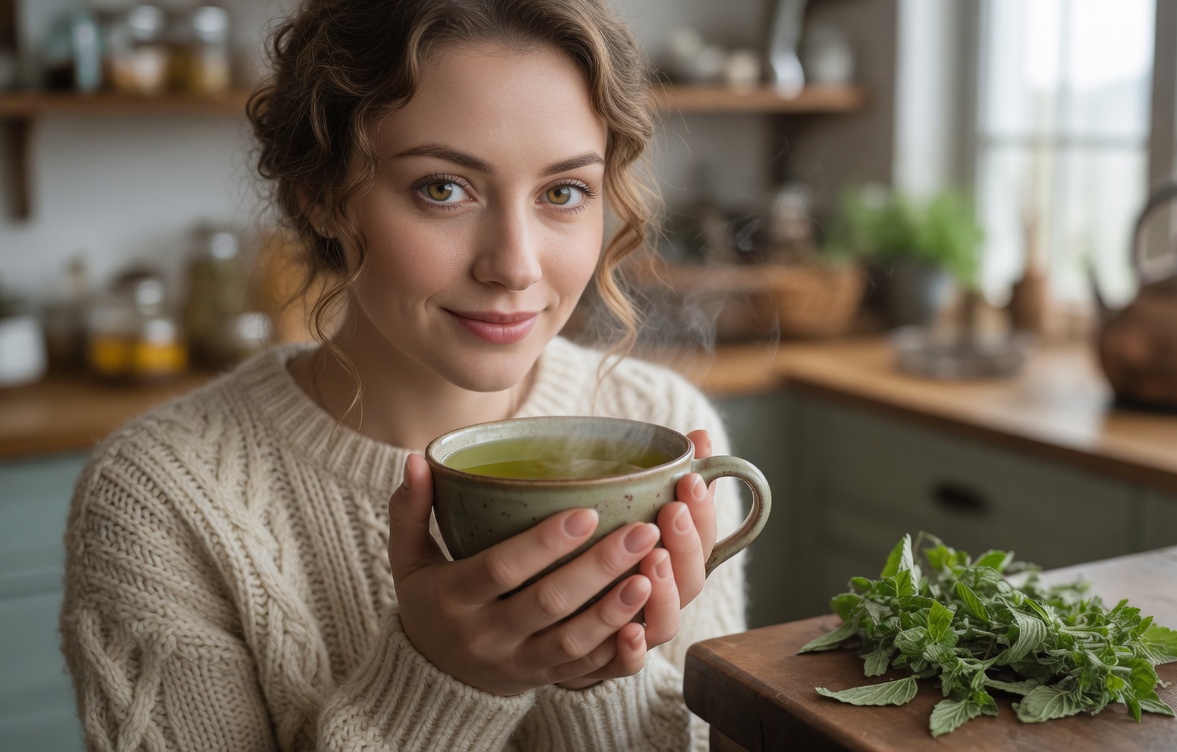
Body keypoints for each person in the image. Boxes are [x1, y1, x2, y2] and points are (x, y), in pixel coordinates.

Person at [59, 1, 747, 749]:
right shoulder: (160, 496)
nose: (514, 266)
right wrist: (443, 683)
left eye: (563, 192)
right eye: (443, 188)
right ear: (318, 196)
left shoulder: (661, 423)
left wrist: (601, 666)